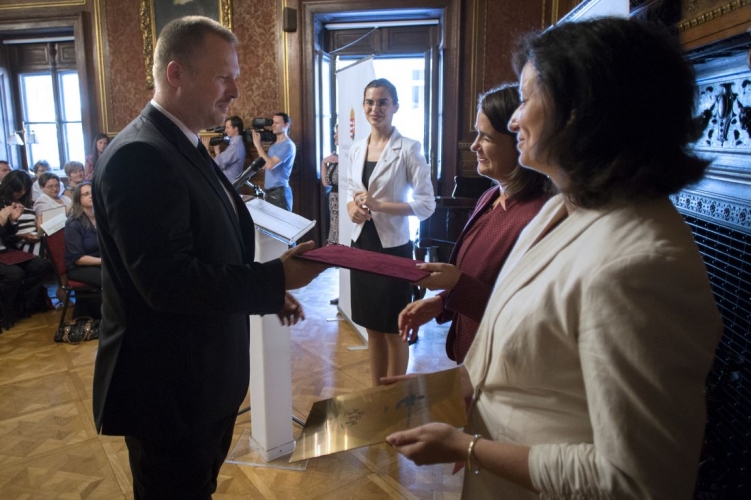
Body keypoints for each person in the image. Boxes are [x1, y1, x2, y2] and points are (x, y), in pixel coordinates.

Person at [386, 18, 723, 499]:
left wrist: (469, 448)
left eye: (525, 99)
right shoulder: (562, 207)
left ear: (579, 113)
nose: (514, 120)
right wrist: (444, 390)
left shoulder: (641, 265)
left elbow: (639, 480)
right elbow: (529, 351)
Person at [91, 16, 325, 498]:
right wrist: (274, 280)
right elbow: (167, 282)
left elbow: (209, 246)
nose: (236, 90)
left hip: (198, 383)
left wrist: (267, 292)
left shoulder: (181, 141)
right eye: (224, 77)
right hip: (169, 392)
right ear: (176, 74)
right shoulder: (140, 155)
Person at [398, 84, 551, 363]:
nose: (473, 145)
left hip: (502, 363)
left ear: (520, 141)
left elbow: (526, 316)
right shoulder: (490, 196)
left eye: (486, 137)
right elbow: (479, 281)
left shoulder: (539, 217)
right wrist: (441, 303)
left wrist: (456, 284)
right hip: (471, 353)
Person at [347, 78, 436, 386]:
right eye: (370, 102)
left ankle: (395, 397)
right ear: (363, 106)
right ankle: (377, 392)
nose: (376, 108)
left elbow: (426, 204)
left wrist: (380, 205)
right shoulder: (356, 148)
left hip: (393, 248)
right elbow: (351, 189)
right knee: (372, 328)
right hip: (361, 245)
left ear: (395, 106)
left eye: (383, 102)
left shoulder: (409, 148)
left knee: (394, 328)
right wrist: (351, 206)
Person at [64, 181, 101, 318]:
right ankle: (108, 318)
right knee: (110, 278)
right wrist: (104, 261)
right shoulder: (73, 223)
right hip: (78, 267)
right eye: (86, 194)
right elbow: (78, 259)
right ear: (78, 200)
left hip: (98, 262)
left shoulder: (101, 218)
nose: (91, 196)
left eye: (92, 193)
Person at [252, 112, 295, 211]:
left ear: (286, 125)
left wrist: (258, 146)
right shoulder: (273, 145)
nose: (273, 125)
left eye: (277, 123)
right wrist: (261, 146)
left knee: (282, 221)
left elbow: (270, 165)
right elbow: (264, 165)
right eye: (273, 123)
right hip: (269, 191)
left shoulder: (288, 145)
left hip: (280, 192)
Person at [0, 170, 41, 256]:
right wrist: (11, 221)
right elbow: (7, 237)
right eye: (18, 189)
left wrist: (39, 227)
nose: (22, 192)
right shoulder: (3, 204)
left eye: (25, 189)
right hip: (17, 242)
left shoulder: (26, 202)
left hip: (32, 236)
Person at [212, 115, 246, 182]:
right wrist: (217, 152)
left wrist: (207, 149)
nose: (225, 131)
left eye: (227, 128)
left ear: (235, 129)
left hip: (230, 183)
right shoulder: (236, 144)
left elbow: (218, 163)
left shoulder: (235, 146)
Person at [321, 123, 339, 245]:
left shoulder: (350, 157)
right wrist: (324, 162)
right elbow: (325, 183)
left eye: (338, 132)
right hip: (334, 204)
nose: (335, 135)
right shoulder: (335, 156)